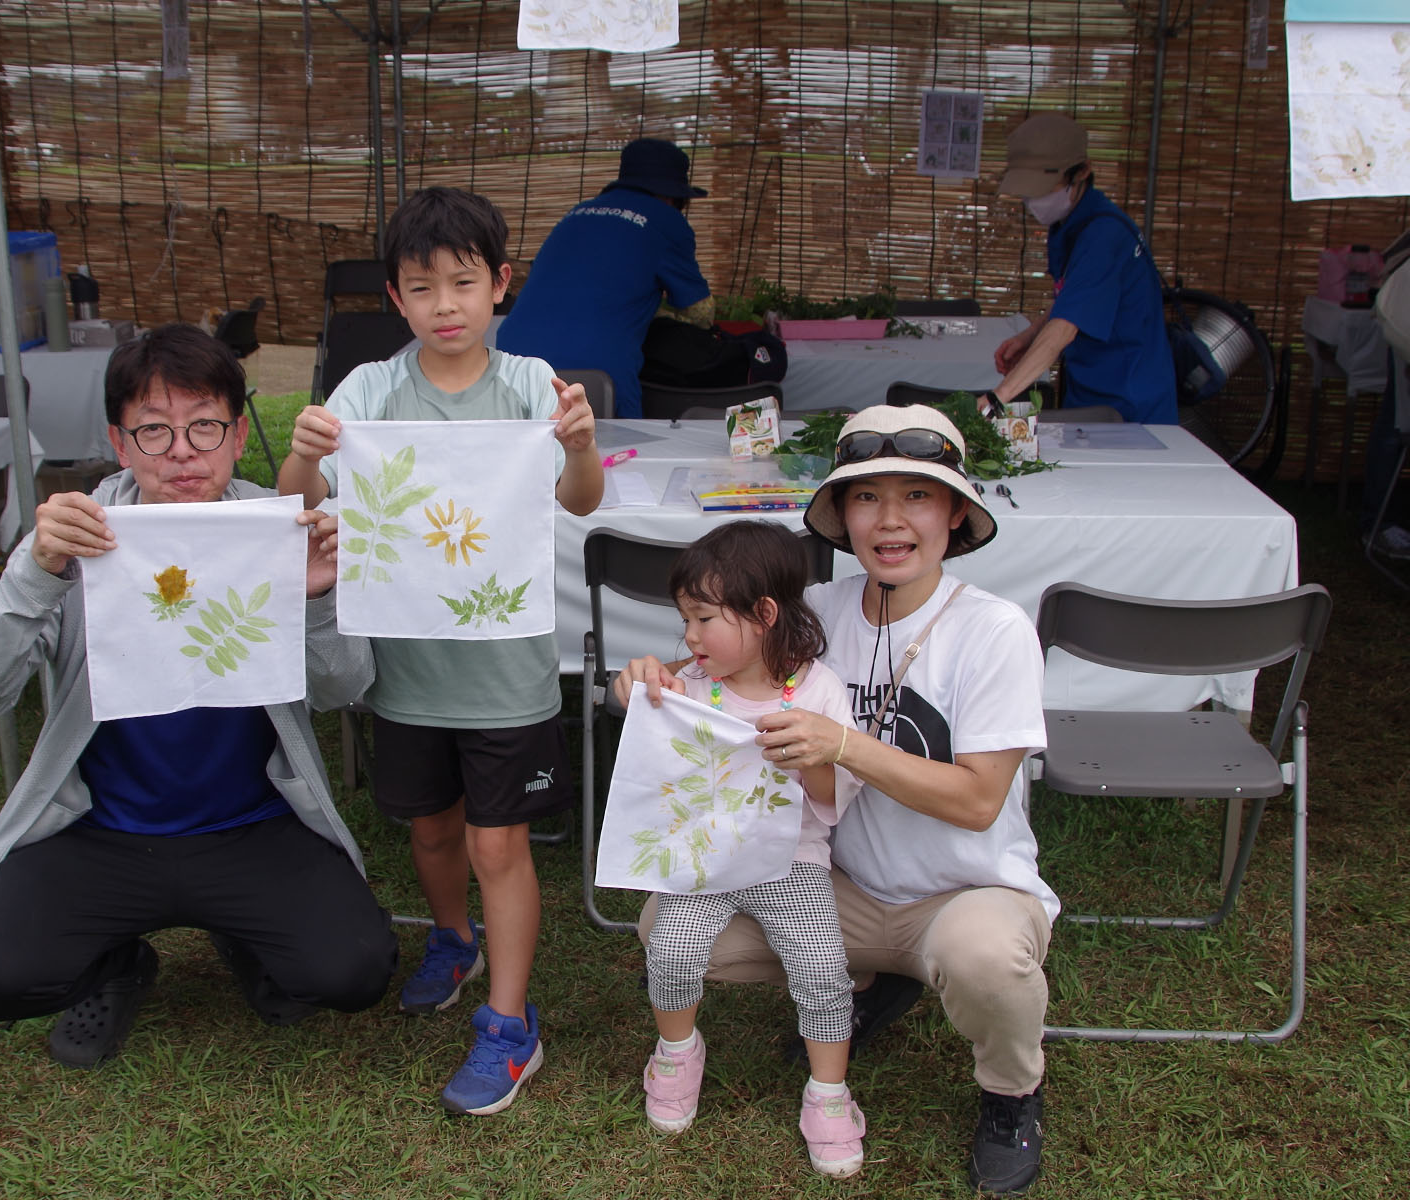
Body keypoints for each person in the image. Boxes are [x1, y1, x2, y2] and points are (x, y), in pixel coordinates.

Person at [622, 404, 1053, 1195]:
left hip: (962, 891)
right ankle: (871, 980)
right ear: (841, 516)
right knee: (670, 928)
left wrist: (844, 745)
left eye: (916, 497)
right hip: (839, 884)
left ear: (954, 514)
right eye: (865, 497)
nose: (889, 521)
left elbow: (979, 802)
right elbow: (716, 673)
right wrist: (653, 674)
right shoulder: (811, 619)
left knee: (986, 958)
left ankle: (1011, 1095)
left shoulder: (994, 630)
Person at [0, 322, 397, 1069]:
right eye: (153, 432)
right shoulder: (78, 535)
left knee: (351, 968)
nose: (182, 451)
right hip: (101, 831)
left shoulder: (276, 526)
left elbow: (347, 688)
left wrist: (316, 601)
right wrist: (35, 575)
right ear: (120, 445)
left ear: (237, 431)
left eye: (204, 427)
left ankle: (247, 935)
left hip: (252, 825)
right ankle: (116, 964)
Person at [278, 185, 602, 1116]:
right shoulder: (370, 391)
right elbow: (300, 499)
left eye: (465, 282)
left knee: (501, 841)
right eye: (424, 288)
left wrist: (579, 444)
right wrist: (303, 454)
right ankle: (453, 938)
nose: (447, 305)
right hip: (409, 672)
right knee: (431, 829)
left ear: (501, 285)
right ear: (396, 299)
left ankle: (509, 1025)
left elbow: (578, 501)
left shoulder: (534, 385)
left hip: (507, 674)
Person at [613, 521, 866, 1177]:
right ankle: (676, 1051)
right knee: (669, 947)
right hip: (706, 858)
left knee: (820, 968)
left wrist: (811, 755)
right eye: (685, 620)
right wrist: (634, 685)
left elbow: (833, 796)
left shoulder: (818, 691)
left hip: (791, 862)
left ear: (764, 615)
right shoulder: (694, 684)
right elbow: (643, 707)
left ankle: (829, 1092)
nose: (689, 637)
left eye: (702, 619)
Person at [494, 137, 713, 418]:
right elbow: (702, 313)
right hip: (596, 373)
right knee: (618, 454)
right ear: (672, 197)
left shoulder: (577, 213)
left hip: (514, 361)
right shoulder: (667, 221)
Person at [984, 112, 1175, 425]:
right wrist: (1031, 335)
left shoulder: (1104, 235)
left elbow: (1064, 328)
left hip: (1128, 400)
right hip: (1088, 387)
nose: (1034, 201)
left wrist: (996, 401)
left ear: (1082, 172)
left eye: (1045, 188)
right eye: (1028, 192)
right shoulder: (1070, 224)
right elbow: (1072, 295)